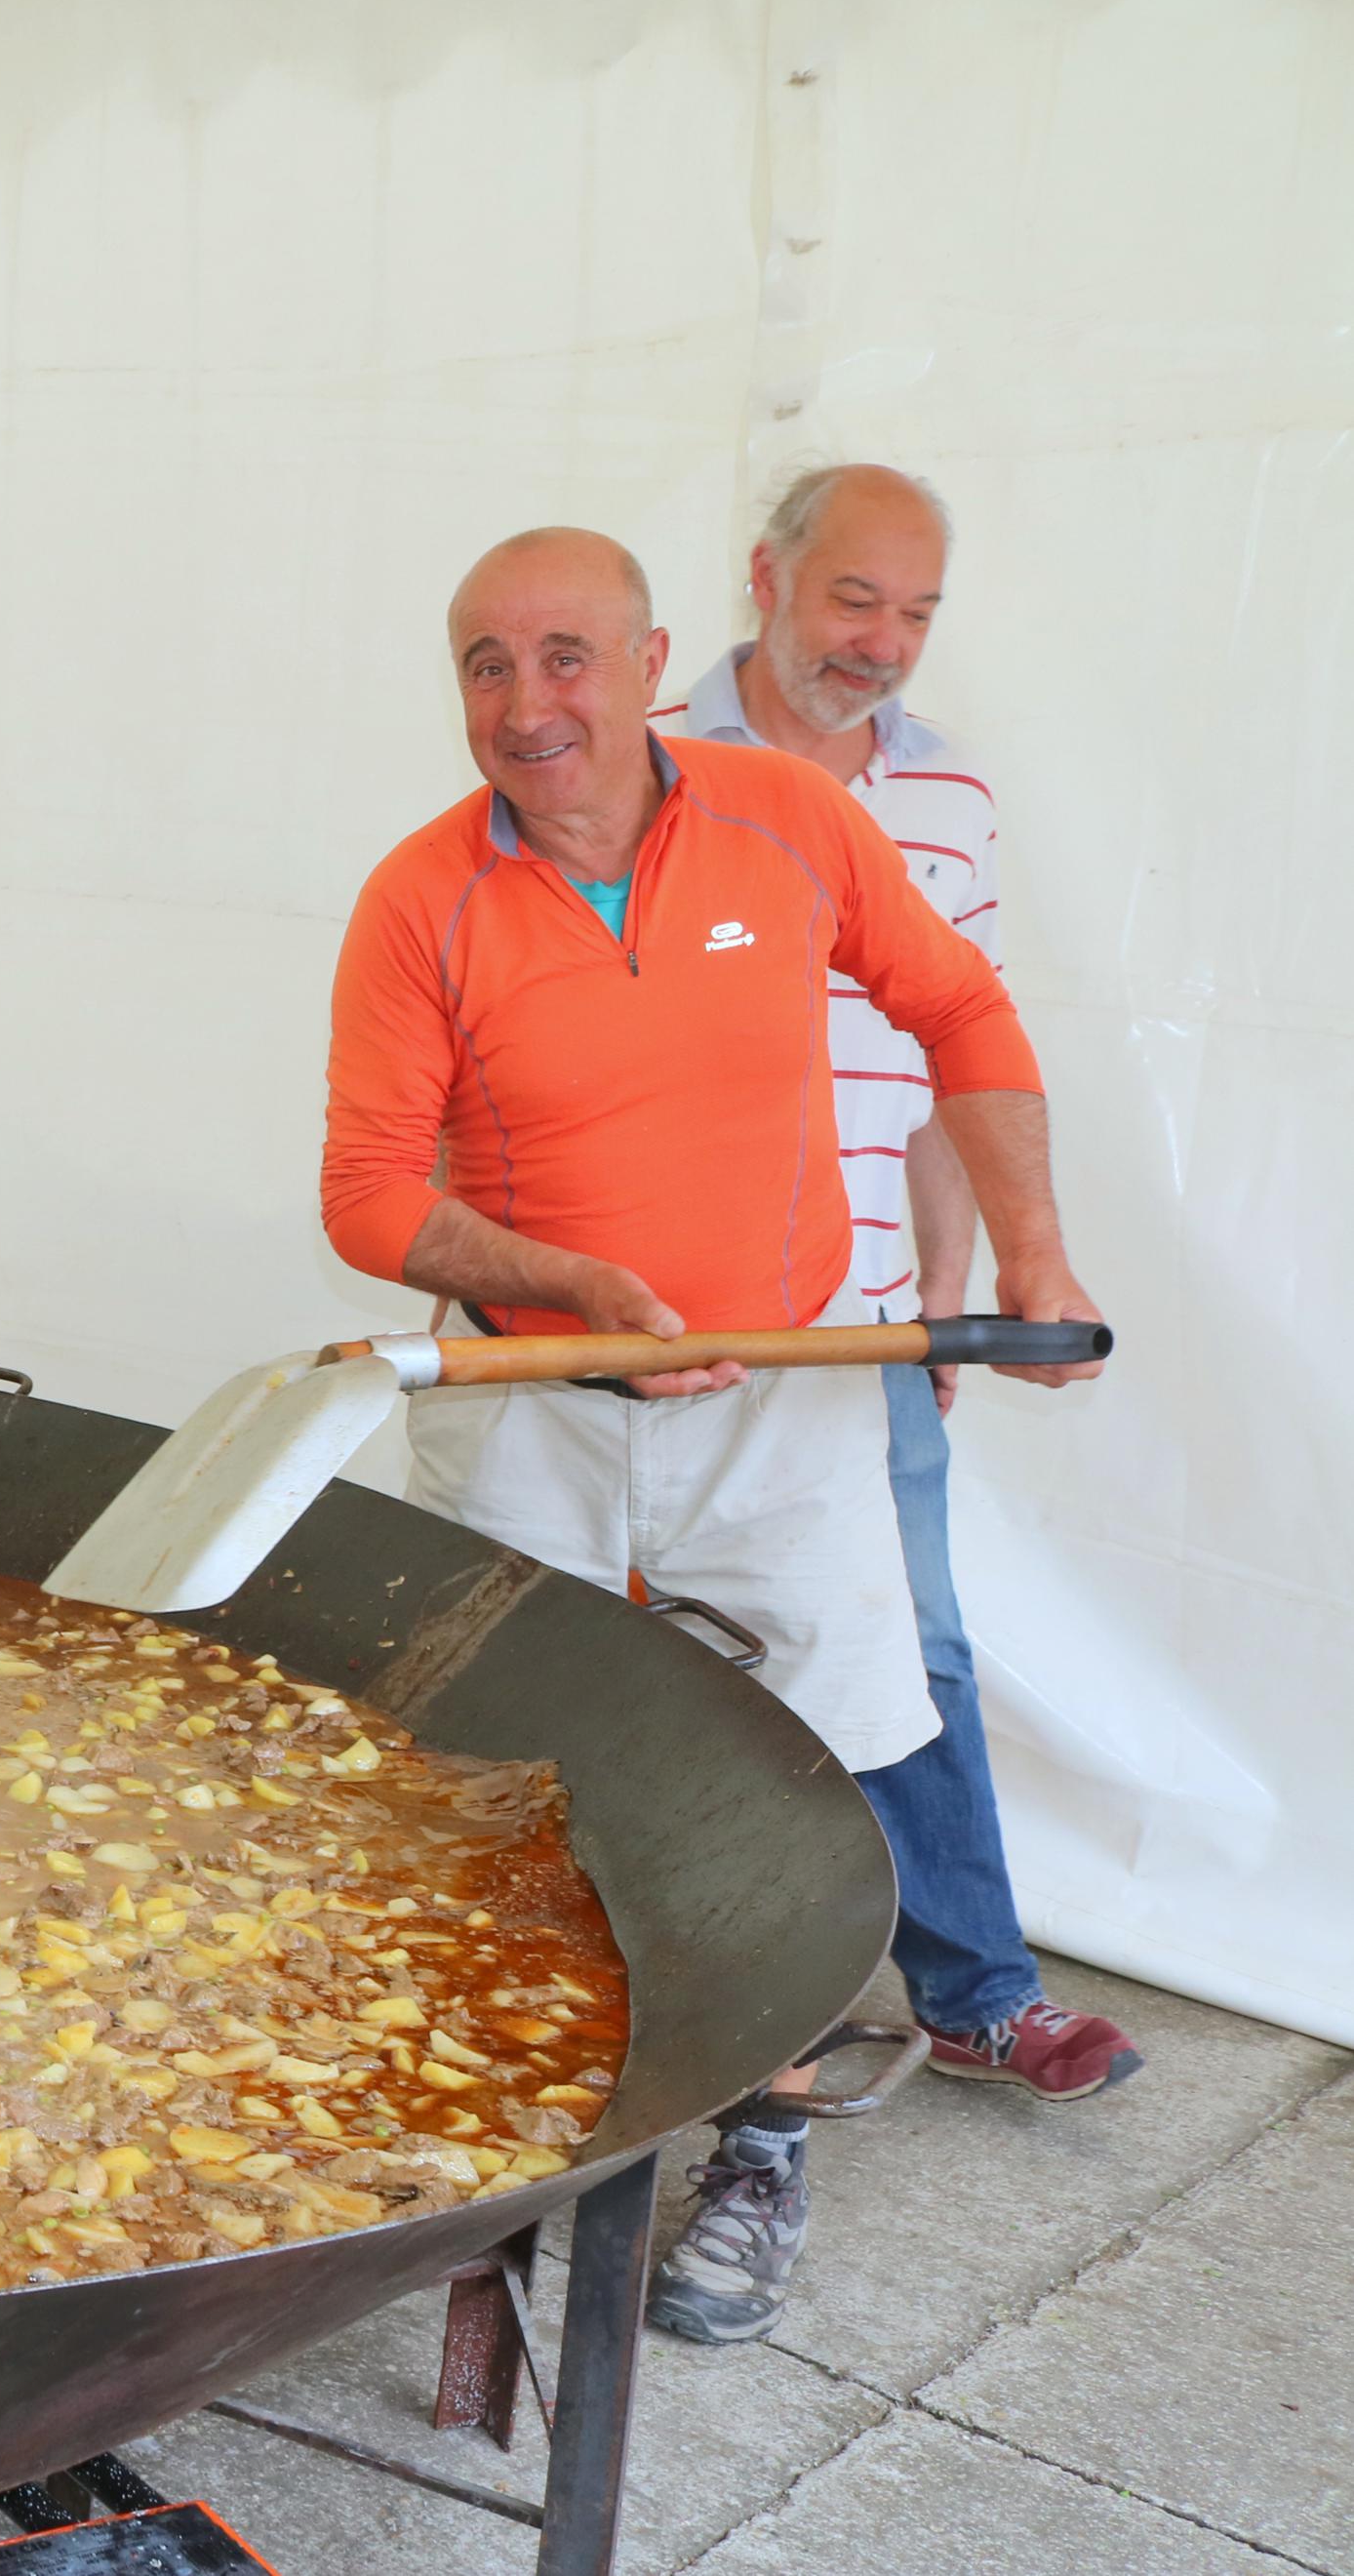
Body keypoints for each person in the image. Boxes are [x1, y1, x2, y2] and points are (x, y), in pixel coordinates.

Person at [319, 529, 1106, 2345]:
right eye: (483, 665)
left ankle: (761, 2141)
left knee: (803, 1773)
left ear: (652, 655)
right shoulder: (415, 897)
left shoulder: (782, 820)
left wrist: (1038, 1255)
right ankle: (479, 2124)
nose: (526, 706)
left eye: (566, 657)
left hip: (784, 1387)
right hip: (525, 1403)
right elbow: (367, 1195)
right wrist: (557, 1284)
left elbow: (959, 1010)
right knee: (488, 1769)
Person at [657, 463, 1140, 2110]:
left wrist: (941, 1296)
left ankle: (971, 1994)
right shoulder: (644, 766)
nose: (881, 642)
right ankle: (673, 1994)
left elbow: (956, 1048)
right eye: (854, 599)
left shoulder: (947, 803)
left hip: (862, 1314)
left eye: (915, 612)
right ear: (764, 578)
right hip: (675, 1316)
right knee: (641, 1649)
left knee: (909, 1644)